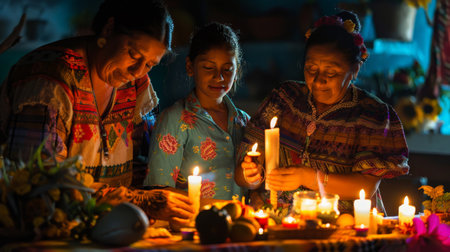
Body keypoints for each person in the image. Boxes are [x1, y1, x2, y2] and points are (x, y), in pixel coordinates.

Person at [0, 0, 194, 226]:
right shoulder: (49, 81)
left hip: (106, 225)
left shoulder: (135, 85)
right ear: (109, 29)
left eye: (150, 64)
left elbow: (141, 164)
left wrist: (163, 192)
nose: (138, 71)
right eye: (133, 54)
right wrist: (140, 201)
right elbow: (39, 183)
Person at [236, 11, 409, 213]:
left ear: (355, 69)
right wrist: (250, 175)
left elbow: (365, 187)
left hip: (343, 227)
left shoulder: (370, 115)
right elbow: (242, 174)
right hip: (277, 221)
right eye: (311, 69)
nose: (318, 81)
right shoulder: (284, 99)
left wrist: (308, 177)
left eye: (331, 72)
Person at [144, 22, 250, 201]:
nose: (219, 77)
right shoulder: (175, 120)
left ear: (237, 71)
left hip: (239, 225)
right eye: (208, 67)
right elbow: (158, 191)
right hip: (191, 225)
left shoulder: (244, 122)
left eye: (227, 69)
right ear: (190, 67)